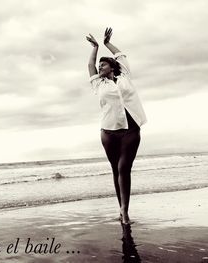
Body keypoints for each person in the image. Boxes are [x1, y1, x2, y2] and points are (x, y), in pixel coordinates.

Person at [86, 27, 147, 225]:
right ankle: (122, 209)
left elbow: (120, 55)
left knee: (124, 168)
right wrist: (95, 47)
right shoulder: (98, 84)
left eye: (103, 65)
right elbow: (89, 65)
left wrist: (106, 43)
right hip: (109, 132)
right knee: (115, 169)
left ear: (111, 67)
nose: (100, 67)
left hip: (131, 130)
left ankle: (125, 211)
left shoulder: (125, 77)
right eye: (100, 66)